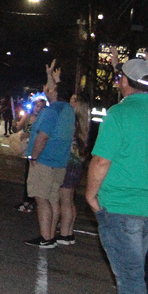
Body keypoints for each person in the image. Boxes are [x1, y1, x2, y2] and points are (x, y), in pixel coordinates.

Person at [85, 57, 148, 294]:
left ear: (123, 81)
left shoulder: (120, 114)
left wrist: (90, 195)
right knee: (138, 276)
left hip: (122, 208)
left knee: (131, 281)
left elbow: (101, 161)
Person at [24, 63, 75, 248]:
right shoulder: (68, 110)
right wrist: (50, 75)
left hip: (45, 162)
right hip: (60, 163)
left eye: (51, 88)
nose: (48, 89)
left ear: (55, 93)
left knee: (41, 199)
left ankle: (46, 237)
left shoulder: (51, 111)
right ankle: (51, 236)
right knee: (53, 198)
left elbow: (43, 136)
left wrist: (34, 157)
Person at [56, 93, 91, 245]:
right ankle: (68, 232)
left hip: (69, 161)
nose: (71, 102)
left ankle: (64, 234)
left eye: (74, 100)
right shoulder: (84, 122)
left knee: (64, 198)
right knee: (69, 199)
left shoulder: (73, 120)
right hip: (77, 162)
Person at [13, 97, 47, 213]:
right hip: (27, 149)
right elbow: (16, 129)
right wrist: (14, 125)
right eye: (37, 106)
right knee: (28, 175)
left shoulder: (44, 120)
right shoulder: (28, 117)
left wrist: (30, 134)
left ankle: (31, 202)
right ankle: (27, 200)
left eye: (42, 107)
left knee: (35, 176)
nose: (39, 109)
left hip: (38, 151)